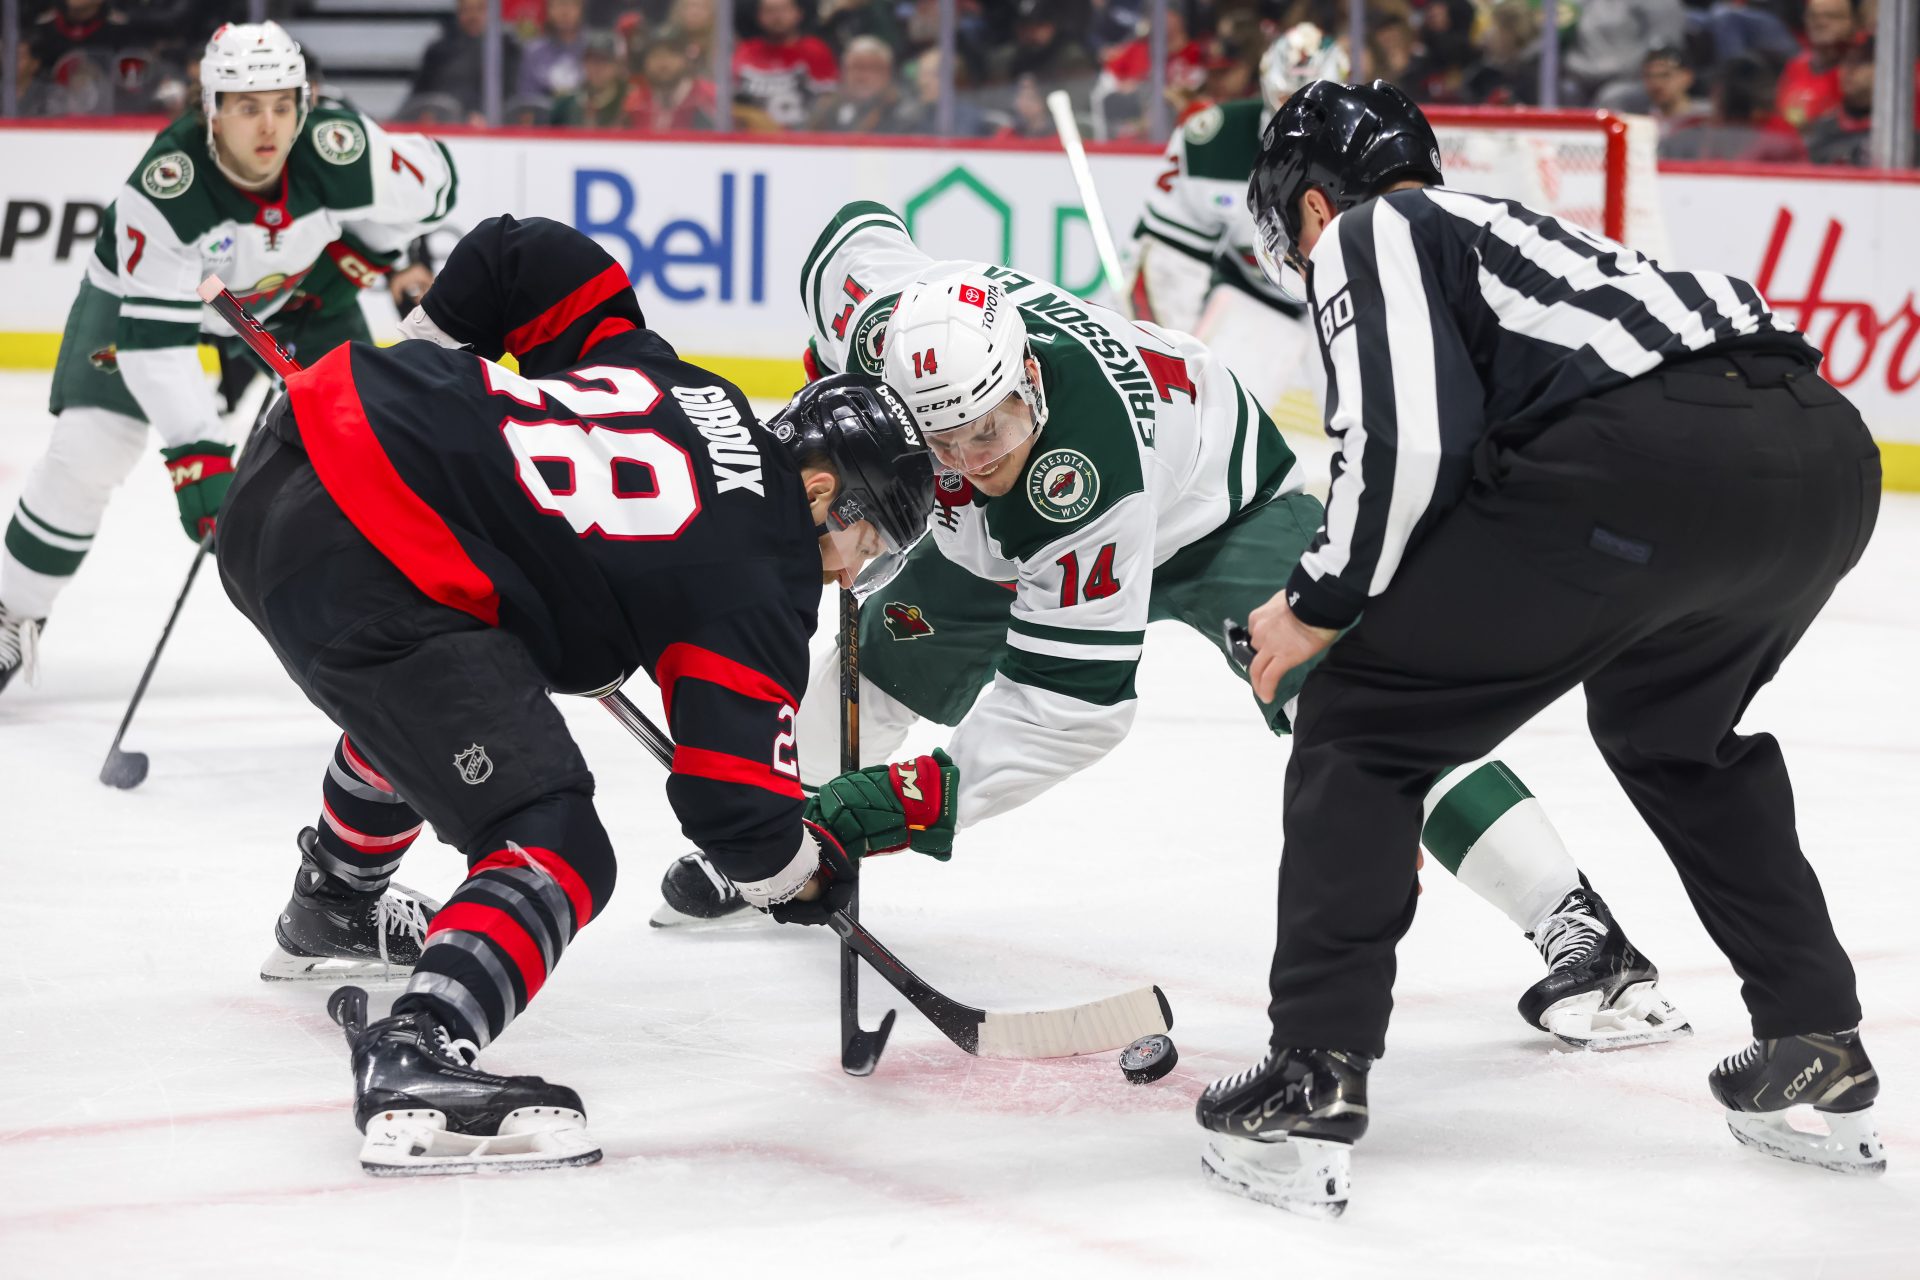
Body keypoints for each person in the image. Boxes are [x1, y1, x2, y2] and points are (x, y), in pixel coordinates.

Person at [650, 197, 1692, 1056]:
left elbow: (1069, 711)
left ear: (1027, 376)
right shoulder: (890, 325)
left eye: (1000, 423)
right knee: (878, 664)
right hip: (996, 543)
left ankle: (1584, 931)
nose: (985, 452)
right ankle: (772, 839)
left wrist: (890, 807)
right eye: (954, 443)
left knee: (1365, 704)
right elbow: (851, 229)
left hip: (1215, 508)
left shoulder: (1075, 474)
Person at [1200, 79, 1884, 1218]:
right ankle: (1816, 1036)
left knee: (1361, 725)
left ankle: (1316, 1070)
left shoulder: (1374, 231)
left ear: (1310, 206)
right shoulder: (1521, 233)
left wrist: (1316, 604)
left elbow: (1408, 444)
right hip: (1823, 454)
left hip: (1652, 461)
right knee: (1674, 734)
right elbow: (1479, 466)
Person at [217, 215, 946, 1171]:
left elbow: (527, 258)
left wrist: (428, 367)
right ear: (821, 492)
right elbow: (733, 803)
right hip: (365, 561)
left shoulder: (693, 388)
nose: (856, 576)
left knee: (458, 684)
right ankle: (420, 1049)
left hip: (290, 462)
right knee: (552, 840)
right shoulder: (765, 570)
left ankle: (336, 902)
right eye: (872, 541)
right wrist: (796, 873)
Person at [0, 22, 454, 695]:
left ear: (304, 102)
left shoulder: (339, 146)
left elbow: (437, 184)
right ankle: (12, 610)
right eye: (246, 107)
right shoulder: (165, 188)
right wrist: (200, 457)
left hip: (298, 298)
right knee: (87, 453)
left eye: (281, 104)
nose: (268, 127)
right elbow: (157, 343)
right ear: (210, 109)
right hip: (137, 301)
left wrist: (358, 258)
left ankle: (427, 617)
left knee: (371, 444)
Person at [1126, 24, 1342, 415]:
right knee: (1211, 420)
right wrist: (1170, 346)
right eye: (1285, 98)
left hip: (1348, 297)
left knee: (1382, 426)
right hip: (1257, 296)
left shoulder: (1378, 144)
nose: (1298, 118)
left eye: (1314, 104)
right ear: (1265, 85)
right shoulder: (1210, 141)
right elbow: (1168, 258)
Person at [732, 0, 838, 130]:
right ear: (759, 16)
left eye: (783, 10)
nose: (777, 17)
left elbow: (828, 101)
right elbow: (732, 101)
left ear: (798, 13)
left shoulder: (815, 50)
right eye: (770, 11)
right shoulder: (746, 51)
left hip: (800, 141)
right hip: (752, 141)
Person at [411, 0, 523, 120]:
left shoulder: (507, 49)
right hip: (443, 124)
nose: (472, 16)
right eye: (466, 10)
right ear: (458, 13)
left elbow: (513, 96)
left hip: (491, 127)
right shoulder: (438, 50)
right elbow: (418, 97)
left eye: (479, 9)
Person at [1775, 0, 1857, 130]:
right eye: (1813, 16)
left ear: (1853, 22)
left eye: (1831, 16)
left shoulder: (1857, 71)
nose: (1820, 23)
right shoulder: (1795, 66)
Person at [806, 34, 905, 133]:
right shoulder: (826, 107)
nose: (862, 76)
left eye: (871, 68)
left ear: (887, 73)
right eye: (856, 67)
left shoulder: (902, 111)